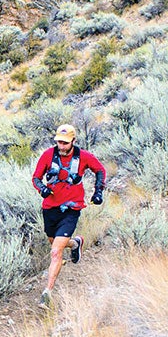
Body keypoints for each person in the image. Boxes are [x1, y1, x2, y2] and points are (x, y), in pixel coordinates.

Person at [32, 123, 105, 309]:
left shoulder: (84, 157)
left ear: (73, 141)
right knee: (53, 241)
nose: (62, 146)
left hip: (72, 209)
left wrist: (98, 191)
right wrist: (43, 189)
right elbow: (36, 178)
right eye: (59, 142)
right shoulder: (48, 155)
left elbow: (100, 170)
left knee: (56, 252)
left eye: (65, 143)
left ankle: (47, 293)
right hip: (50, 208)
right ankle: (75, 243)